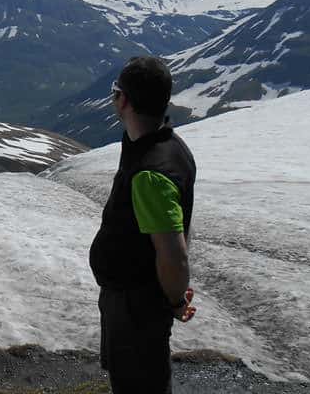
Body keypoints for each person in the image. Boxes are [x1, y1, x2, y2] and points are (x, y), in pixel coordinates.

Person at [90, 56, 197, 393]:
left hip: (135, 306)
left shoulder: (151, 172)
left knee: (139, 384)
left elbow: (173, 253)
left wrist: (176, 299)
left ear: (124, 100)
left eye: (114, 91)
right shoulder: (169, 146)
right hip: (133, 300)